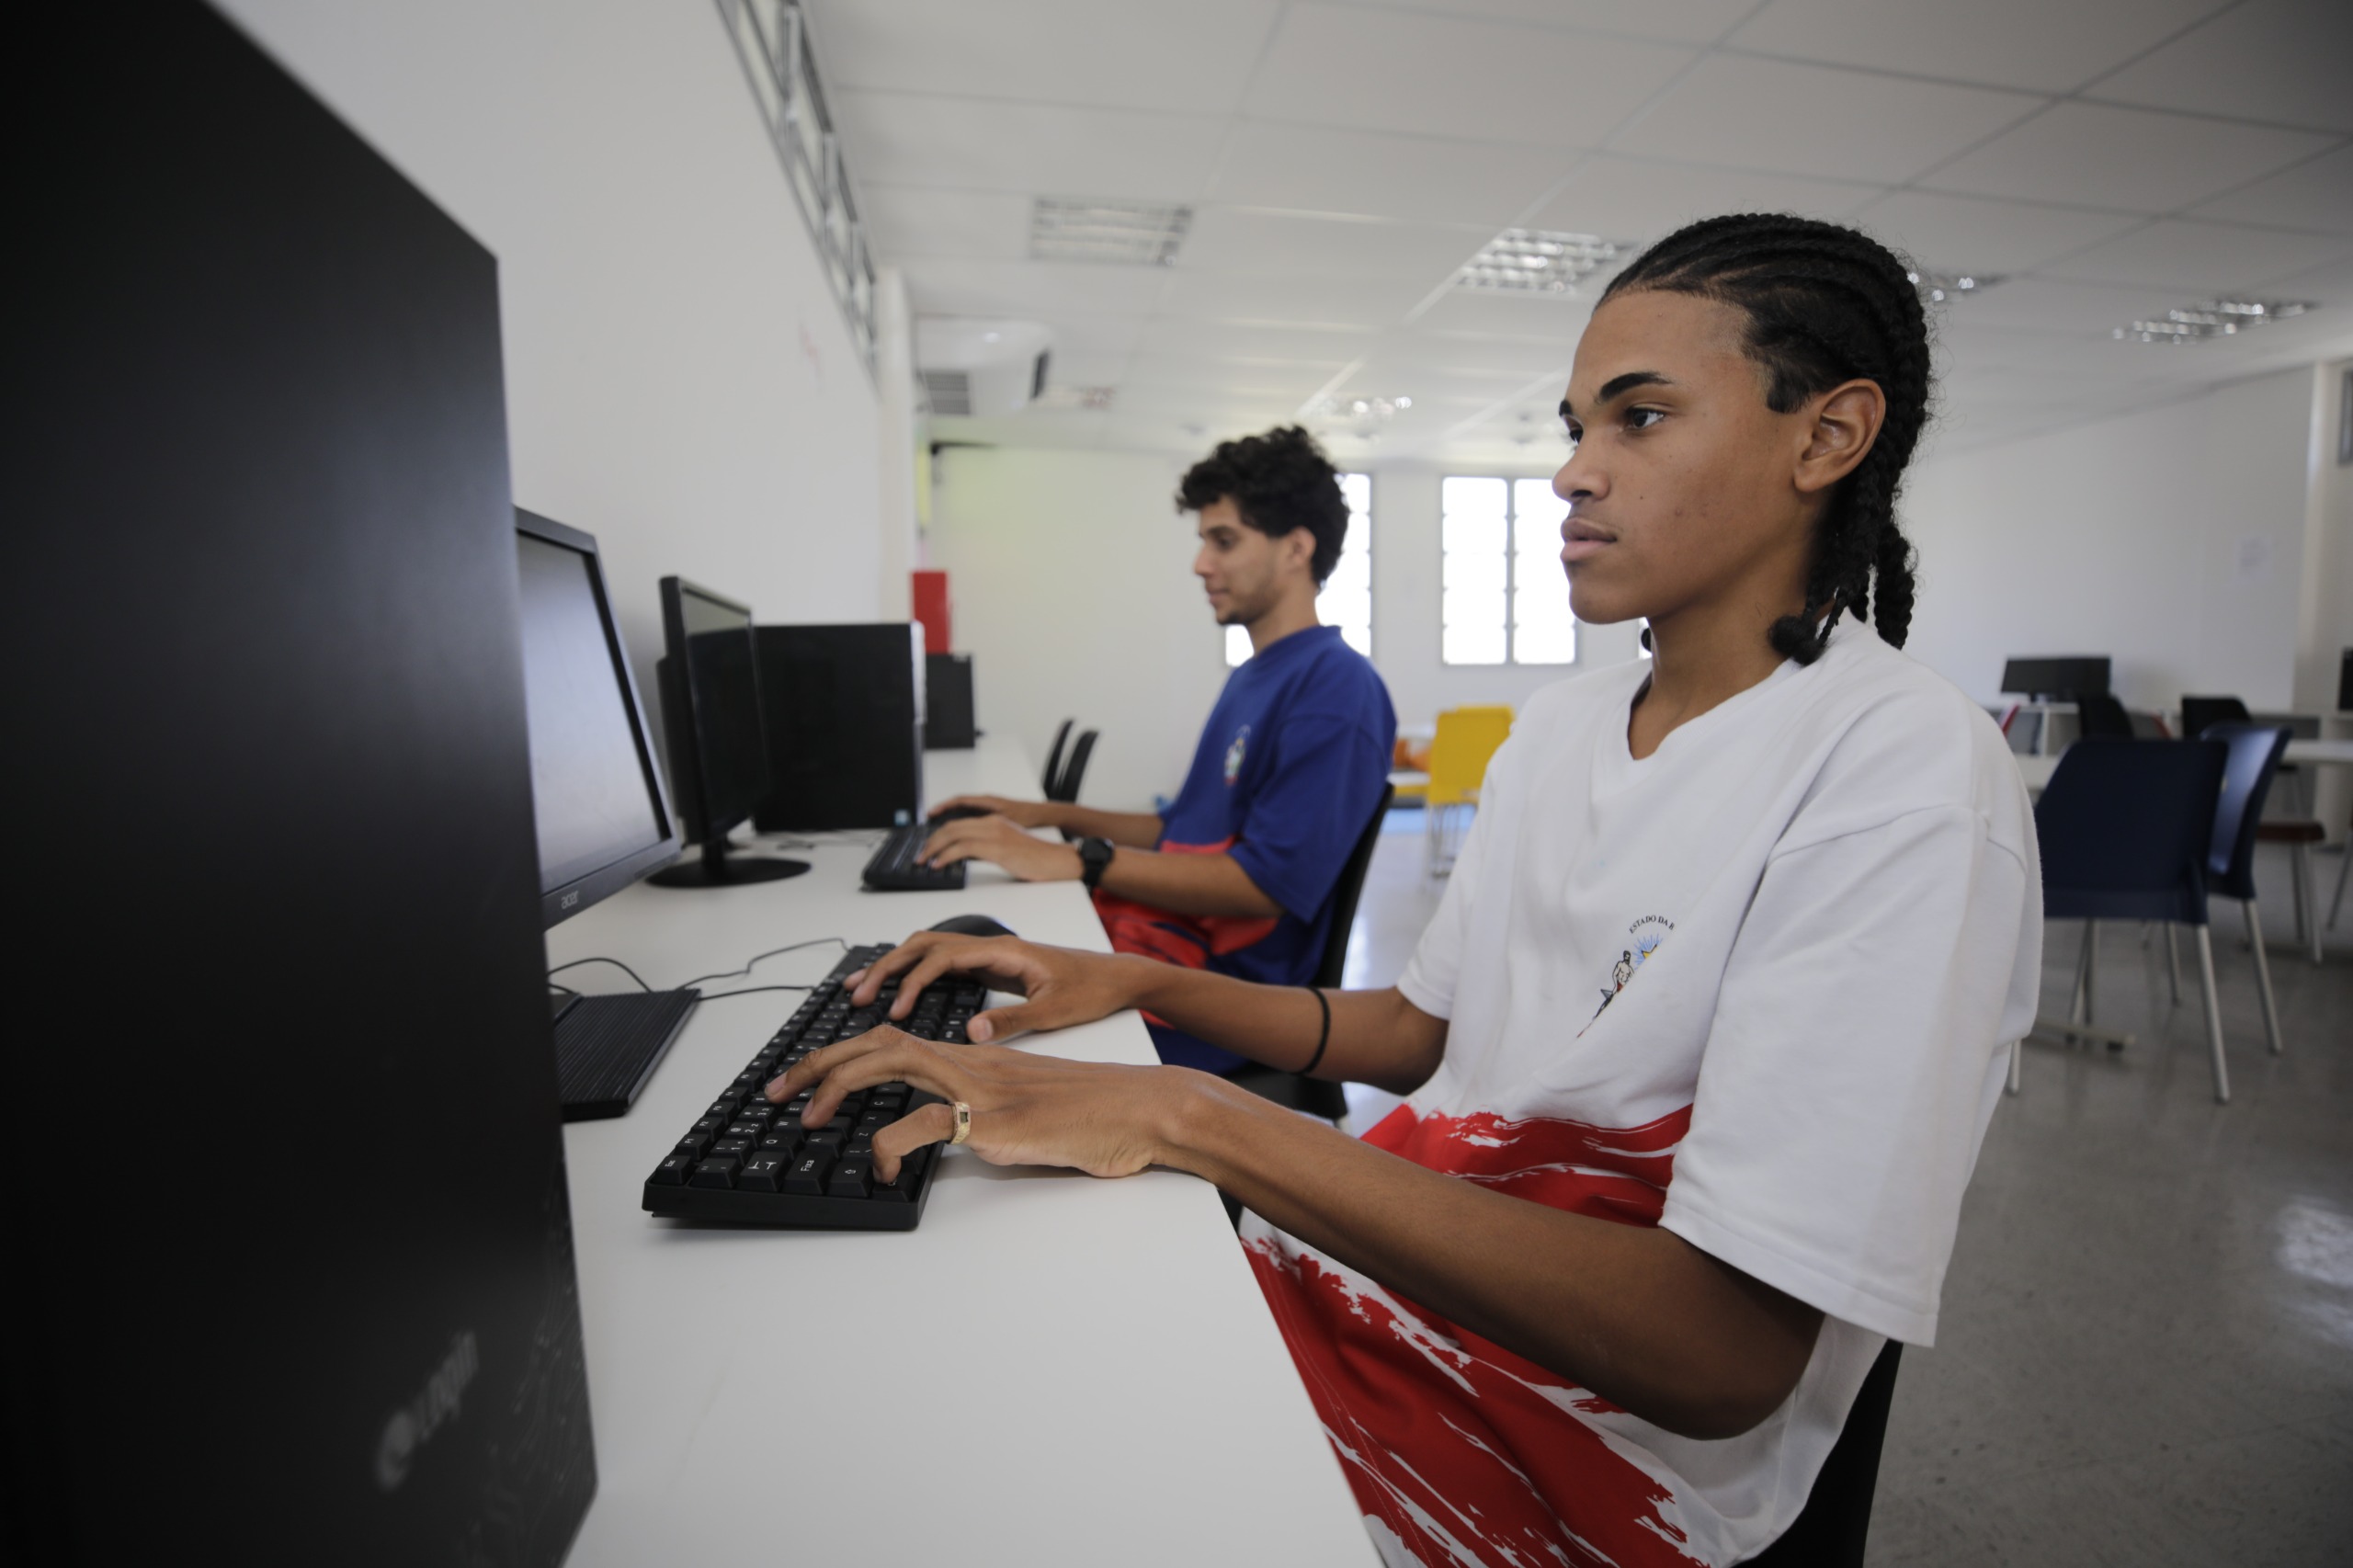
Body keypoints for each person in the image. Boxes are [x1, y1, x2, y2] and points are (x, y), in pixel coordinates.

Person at [767, 214, 2041, 1567]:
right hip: (1373, 1283)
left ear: (1828, 436)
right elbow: (1423, 1032)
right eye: (1574, 425)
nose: (1572, 472)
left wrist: (1194, 1111)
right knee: (939, 1362)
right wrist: (1139, 980)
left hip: (1562, 1445)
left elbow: (1719, 1351)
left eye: (1640, 418)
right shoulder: (1563, 728)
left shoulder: (1902, 773)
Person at [921, 425, 1397, 1074]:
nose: (1201, 563)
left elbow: (1263, 886)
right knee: (947, 963)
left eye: (1223, 540)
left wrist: (1079, 859)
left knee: (961, 1035)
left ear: (1296, 549)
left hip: (1218, 999)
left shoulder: (1336, 688)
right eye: (1204, 541)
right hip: (1160, 942)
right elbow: (1181, 828)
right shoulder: (1254, 674)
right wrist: (1040, 816)